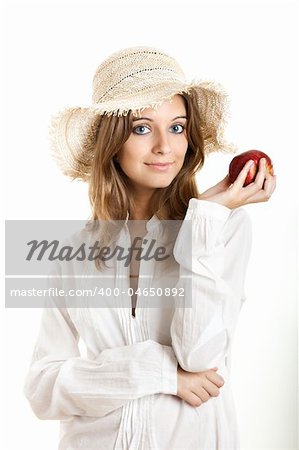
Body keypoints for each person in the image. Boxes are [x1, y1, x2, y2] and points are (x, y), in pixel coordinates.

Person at [24, 46, 276, 449]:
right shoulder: (73, 253)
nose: (164, 146)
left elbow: (199, 357)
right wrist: (158, 371)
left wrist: (203, 222)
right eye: (142, 128)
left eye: (177, 127)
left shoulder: (222, 229)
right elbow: (43, 388)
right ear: (112, 142)